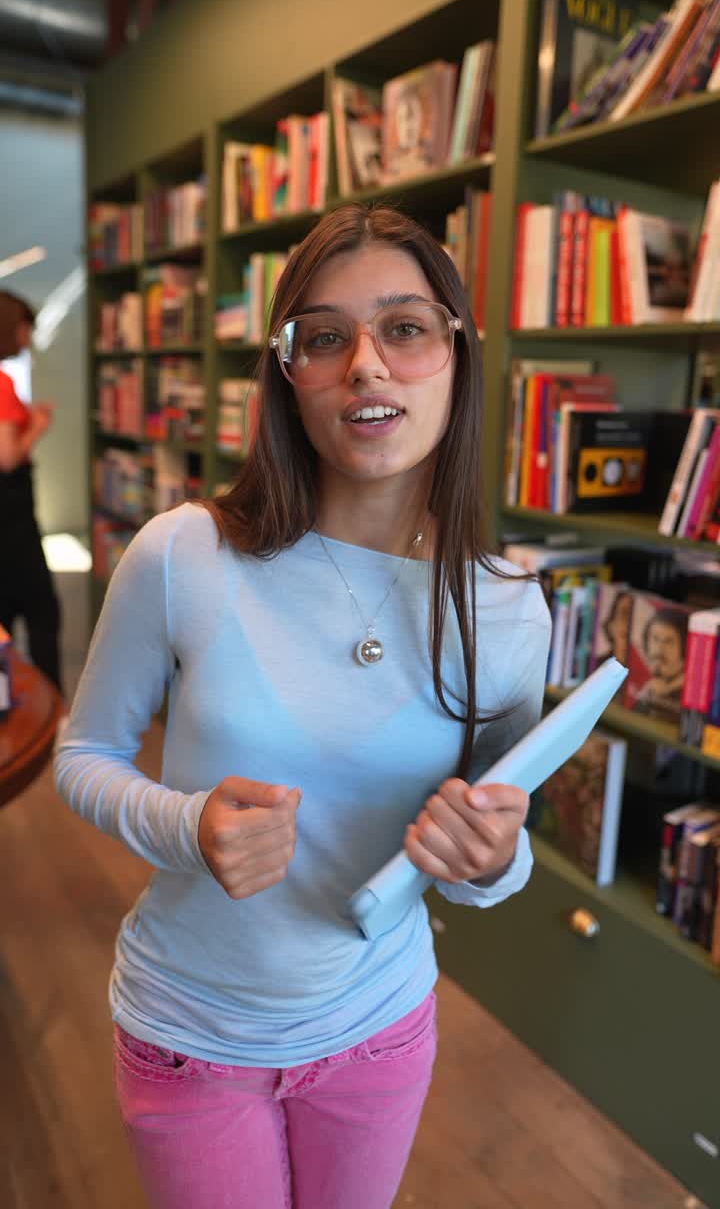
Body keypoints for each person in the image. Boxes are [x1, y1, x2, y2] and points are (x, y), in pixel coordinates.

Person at [55, 204, 551, 1209]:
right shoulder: (184, 551)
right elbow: (84, 754)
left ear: (457, 351)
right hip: (191, 1031)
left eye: (405, 327)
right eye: (324, 337)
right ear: (289, 373)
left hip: (382, 1025)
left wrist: (495, 858)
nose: (367, 364)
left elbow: (496, 837)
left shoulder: (506, 606)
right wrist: (186, 823)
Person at [0, 289, 62, 693]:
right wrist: (37, 425)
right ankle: (50, 707)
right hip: (11, 515)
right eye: (24, 329)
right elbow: (5, 458)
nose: (27, 339)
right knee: (42, 610)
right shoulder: (2, 383)